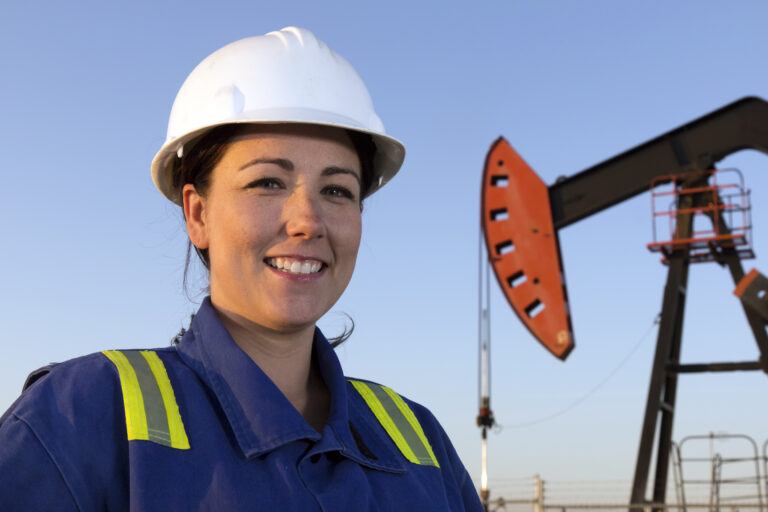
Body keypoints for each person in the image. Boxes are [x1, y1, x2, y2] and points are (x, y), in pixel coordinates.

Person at [0, 27, 483, 511]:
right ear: (198, 214)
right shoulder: (79, 419)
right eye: (268, 182)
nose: (307, 222)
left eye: (336, 190)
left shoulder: (420, 445)